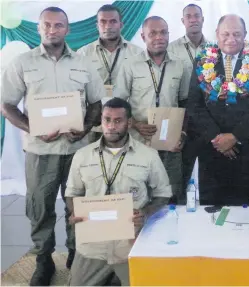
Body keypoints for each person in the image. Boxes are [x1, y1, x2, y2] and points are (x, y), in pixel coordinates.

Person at [0, 7, 105, 285]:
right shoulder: (23, 63)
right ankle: (44, 260)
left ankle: (76, 254)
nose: (52, 30)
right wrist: (32, 128)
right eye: (47, 25)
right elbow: (7, 105)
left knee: (79, 205)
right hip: (40, 152)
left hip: (77, 151)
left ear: (67, 29)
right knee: (40, 207)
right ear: (38, 28)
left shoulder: (83, 63)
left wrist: (84, 126)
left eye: (59, 25)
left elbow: (96, 103)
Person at [66, 98, 172, 286]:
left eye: (118, 121)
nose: (111, 126)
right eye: (107, 119)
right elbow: (72, 193)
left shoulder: (148, 156)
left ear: (129, 123)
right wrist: (74, 211)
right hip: (93, 245)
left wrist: (146, 213)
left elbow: (163, 194)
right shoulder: (82, 156)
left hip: (130, 244)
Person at [187, 14, 249, 206]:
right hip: (210, 148)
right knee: (209, 207)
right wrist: (217, 138)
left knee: (242, 208)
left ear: (245, 35)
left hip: (245, 148)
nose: (231, 39)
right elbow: (194, 104)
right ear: (216, 34)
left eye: (236, 34)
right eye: (225, 34)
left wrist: (234, 137)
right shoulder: (201, 63)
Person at [114, 16, 189, 203]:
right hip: (139, 141)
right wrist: (135, 124)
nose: (158, 37)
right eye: (152, 33)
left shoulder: (180, 65)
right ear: (143, 36)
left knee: (172, 193)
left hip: (170, 142)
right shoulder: (130, 65)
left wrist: (184, 133)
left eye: (163, 32)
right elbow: (117, 104)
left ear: (169, 35)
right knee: (138, 195)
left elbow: (186, 103)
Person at [77, 4, 143, 142]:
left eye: (113, 21)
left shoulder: (137, 53)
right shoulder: (83, 54)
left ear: (121, 24)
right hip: (93, 125)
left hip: (125, 124)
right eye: (103, 21)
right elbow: (77, 90)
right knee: (94, 162)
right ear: (97, 25)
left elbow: (140, 90)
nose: (108, 26)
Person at [167, 3, 209, 193]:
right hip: (182, 110)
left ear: (202, 19)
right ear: (183, 21)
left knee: (209, 159)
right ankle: (182, 204)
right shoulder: (171, 49)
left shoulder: (214, 49)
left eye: (197, 16)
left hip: (209, 110)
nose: (193, 19)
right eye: (189, 16)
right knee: (183, 160)